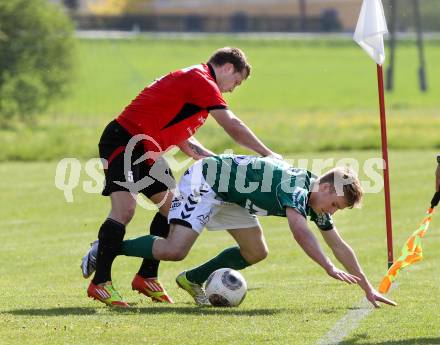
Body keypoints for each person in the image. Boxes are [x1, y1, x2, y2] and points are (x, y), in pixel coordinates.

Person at [81, 48, 282, 307]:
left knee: (173, 209)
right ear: (229, 68)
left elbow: (186, 142)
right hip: (124, 140)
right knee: (125, 209)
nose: (233, 89)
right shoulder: (201, 80)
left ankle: (146, 276)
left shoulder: (197, 89)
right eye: (237, 82)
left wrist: (220, 164)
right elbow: (232, 124)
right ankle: (101, 282)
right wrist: (266, 153)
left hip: (147, 151)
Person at [87, 154, 396, 308]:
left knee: (256, 251)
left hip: (232, 195)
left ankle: (191, 280)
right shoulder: (296, 188)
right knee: (174, 250)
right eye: (336, 204)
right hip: (207, 181)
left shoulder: (315, 197)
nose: (333, 211)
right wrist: (327, 267)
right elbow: (300, 231)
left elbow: (339, 245)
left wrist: (367, 287)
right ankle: (106, 247)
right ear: (326, 187)